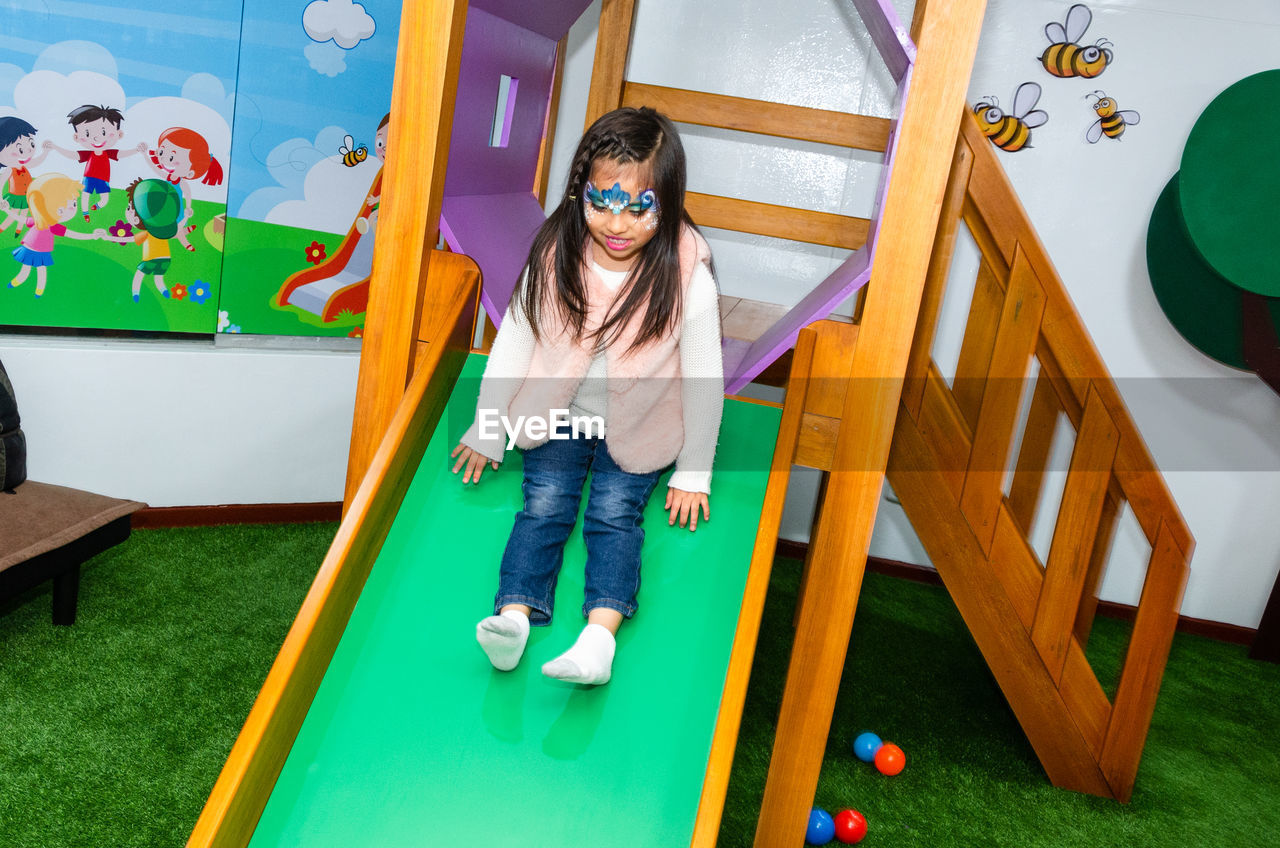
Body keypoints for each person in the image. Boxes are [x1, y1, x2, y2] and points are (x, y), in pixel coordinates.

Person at [451, 107, 724, 686]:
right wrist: (488, 425)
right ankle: (513, 619)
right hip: (561, 415)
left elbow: (704, 375)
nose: (617, 222)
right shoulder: (556, 254)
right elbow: (515, 341)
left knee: (613, 514)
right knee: (544, 505)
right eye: (602, 201)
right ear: (581, 192)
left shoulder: (686, 273)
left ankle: (598, 639)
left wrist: (694, 469)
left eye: (640, 205)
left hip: (642, 424)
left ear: (669, 201)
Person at [95, 178, 194, 301]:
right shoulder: (163, 230)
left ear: (137, 219)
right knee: (159, 278)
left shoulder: (146, 234)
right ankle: (164, 291)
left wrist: (107, 237)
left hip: (150, 259)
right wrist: (185, 218)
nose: (127, 211)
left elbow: (130, 239)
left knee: (139, 275)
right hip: (165, 259)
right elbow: (178, 228)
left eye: (129, 208)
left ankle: (135, 293)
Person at [43, 105, 141, 219]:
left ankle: (97, 206)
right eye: (87, 134)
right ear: (76, 137)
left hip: (103, 179)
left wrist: (136, 150)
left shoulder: (108, 153)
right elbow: (72, 155)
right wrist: (55, 147)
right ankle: (85, 213)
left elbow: (121, 154)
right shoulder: (88, 154)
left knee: (104, 199)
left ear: (119, 134)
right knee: (85, 196)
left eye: (104, 132)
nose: (96, 138)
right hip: (89, 177)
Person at [9, 173, 99, 297]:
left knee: (41, 271)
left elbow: (73, 234)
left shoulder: (54, 227)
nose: (72, 209)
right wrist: (6, 210)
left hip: (42, 252)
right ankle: (16, 282)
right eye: (65, 206)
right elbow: (20, 218)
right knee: (25, 269)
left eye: (74, 204)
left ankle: (39, 291)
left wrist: (92, 236)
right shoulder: (37, 220)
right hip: (29, 249)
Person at [0, 116, 52, 235]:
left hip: (26, 196)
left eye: (32, 144)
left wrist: (45, 152)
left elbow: (37, 161)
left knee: (24, 214)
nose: (28, 151)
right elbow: (1, 183)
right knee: (12, 215)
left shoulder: (24, 165)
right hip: (15, 197)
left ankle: (18, 231)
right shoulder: (9, 170)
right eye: (20, 150)